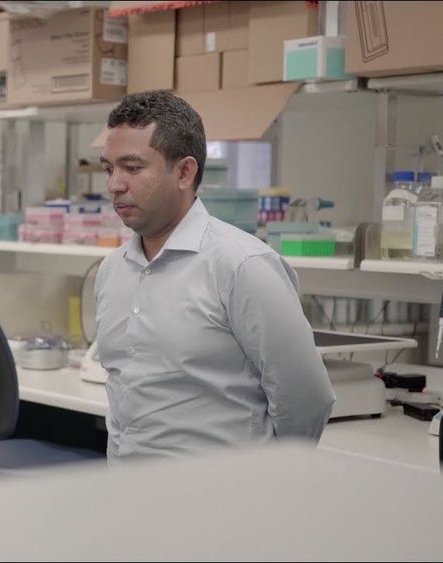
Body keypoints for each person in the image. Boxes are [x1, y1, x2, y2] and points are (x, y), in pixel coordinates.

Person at [95, 90, 335, 461]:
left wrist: (265, 476)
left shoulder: (242, 266)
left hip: (222, 492)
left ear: (184, 172)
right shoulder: (112, 271)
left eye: (133, 168)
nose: (114, 185)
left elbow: (306, 399)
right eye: (109, 169)